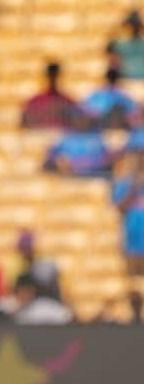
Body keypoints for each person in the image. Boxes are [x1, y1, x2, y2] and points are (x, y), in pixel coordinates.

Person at [110, 133, 144, 275]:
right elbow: (120, 208)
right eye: (139, 154)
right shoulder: (124, 182)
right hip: (133, 244)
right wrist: (134, 187)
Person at [43, 110, 113, 177]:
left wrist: (79, 164)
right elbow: (51, 158)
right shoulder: (65, 138)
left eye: (84, 118)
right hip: (69, 178)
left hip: (94, 177)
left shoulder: (96, 138)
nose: (81, 121)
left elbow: (105, 159)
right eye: (78, 118)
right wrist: (58, 162)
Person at [20, 62, 79, 129]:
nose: (53, 79)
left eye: (55, 75)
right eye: (51, 75)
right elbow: (25, 126)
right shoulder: (33, 102)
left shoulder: (68, 102)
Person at [107, 11, 144, 79]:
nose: (135, 29)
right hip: (124, 78)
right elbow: (109, 50)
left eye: (136, 26)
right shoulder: (120, 45)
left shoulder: (120, 45)